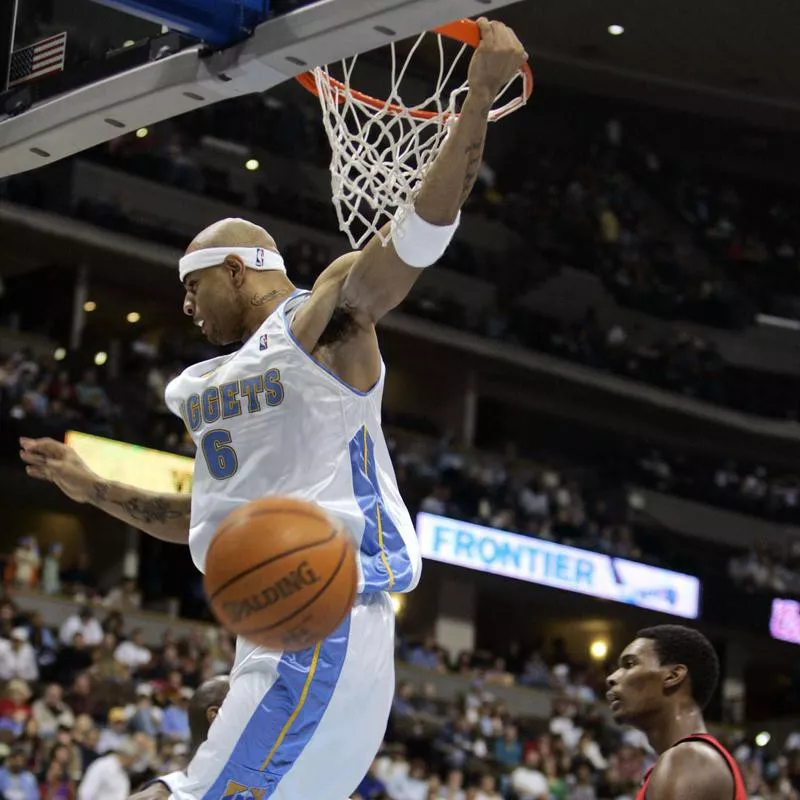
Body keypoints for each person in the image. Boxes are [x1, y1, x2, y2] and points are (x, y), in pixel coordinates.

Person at [19, 18, 526, 800]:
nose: (184, 305)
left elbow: (416, 242)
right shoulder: (202, 387)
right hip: (270, 625)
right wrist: (97, 493)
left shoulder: (321, 324)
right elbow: (201, 518)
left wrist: (479, 92)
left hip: (324, 608)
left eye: (192, 284)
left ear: (237, 268)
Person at [606, 625, 747, 799]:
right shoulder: (694, 759)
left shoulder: (688, 760)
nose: (611, 677)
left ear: (673, 676)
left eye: (629, 664)